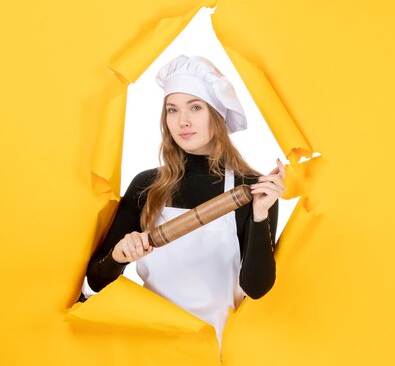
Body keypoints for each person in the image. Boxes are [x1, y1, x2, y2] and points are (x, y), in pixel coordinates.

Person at [84, 55, 285, 343]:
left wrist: (260, 213)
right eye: (172, 110)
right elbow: (92, 284)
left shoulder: (253, 189)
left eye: (195, 107)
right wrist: (118, 257)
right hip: (151, 345)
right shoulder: (147, 186)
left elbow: (257, 287)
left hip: (219, 353)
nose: (183, 121)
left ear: (216, 113)